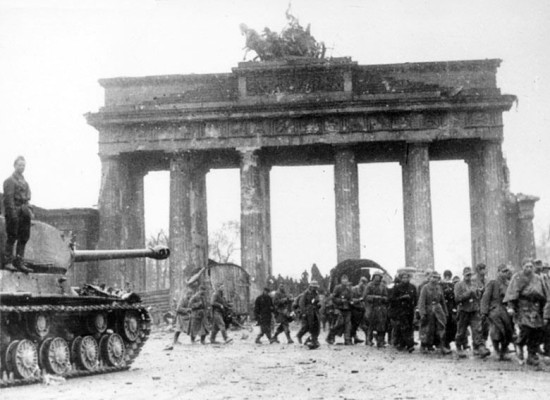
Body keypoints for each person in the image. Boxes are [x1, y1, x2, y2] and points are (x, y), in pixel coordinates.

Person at [504, 258, 550, 366]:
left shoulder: (538, 278)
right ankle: (519, 343)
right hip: (523, 307)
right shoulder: (517, 277)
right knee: (526, 329)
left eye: (531, 266)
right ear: (522, 267)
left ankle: (531, 355)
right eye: (526, 266)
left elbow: (544, 294)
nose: (529, 269)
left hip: (535, 307)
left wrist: (544, 309)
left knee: (537, 330)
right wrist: (511, 307)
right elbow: (512, 293)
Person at [2, 156, 32, 273]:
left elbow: (28, 198)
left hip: (24, 211)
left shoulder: (25, 183)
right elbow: (8, 200)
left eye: (23, 165)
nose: (22, 167)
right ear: (15, 165)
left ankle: (19, 262)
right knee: (12, 236)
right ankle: (8, 261)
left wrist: (29, 211)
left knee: (23, 237)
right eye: (19, 165)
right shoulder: (9, 181)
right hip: (14, 211)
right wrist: (12, 215)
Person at [454, 267, 490, 358]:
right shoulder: (458, 285)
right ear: (463, 275)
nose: (469, 277)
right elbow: (457, 298)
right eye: (467, 275)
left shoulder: (474, 284)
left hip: (474, 310)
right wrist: (469, 293)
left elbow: (478, 297)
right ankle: (459, 347)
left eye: (470, 275)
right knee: (461, 331)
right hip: (463, 311)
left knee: (477, 329)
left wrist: (479, 292)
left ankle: (479, 347)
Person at [480, 264, 514, 361]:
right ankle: (496, 350)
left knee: (508, 330)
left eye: (506, 271)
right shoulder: (493, 283)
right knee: (496, 331)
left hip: (505, 309)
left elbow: (511, 298)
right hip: (494, 309)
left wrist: (511, 308)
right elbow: (485, 298)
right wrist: (484, 312)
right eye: (503, 271)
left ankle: (504, 350)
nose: (504, 274)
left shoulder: (508, 284)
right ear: (498, 272)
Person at [418, 271, 451, 355]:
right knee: (427, 329)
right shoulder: (425, 287)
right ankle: (424, 345)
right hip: (428, 310)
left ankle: (441, 346)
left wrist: (445, 312)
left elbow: (443, 301)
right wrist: (422, 313)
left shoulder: (439, 287)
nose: (435, 279)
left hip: (438, 310)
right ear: (429, 278)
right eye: (433, 277)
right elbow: (421, 302)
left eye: (436, 277)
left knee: (440, 328)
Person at [389, 271, 417, 352]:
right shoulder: (397, 287)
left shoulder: (412, 287)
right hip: (400, 309)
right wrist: (401, 298)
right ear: (401, 279)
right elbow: (391, 299)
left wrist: (414, 306)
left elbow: (415, 298)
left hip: (409, 310)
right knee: (403, 327)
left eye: (407, 277)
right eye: (403, 278)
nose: (405, 279)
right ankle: (408, 345)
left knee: (409, 326)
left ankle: (404, 343)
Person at [364, 271, 389, 348]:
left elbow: (386, 296)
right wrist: (374, 297)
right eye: (376, 277)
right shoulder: (369, 285)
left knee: (381, 325)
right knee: (371, 325)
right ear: (373, 277)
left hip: (381, 308)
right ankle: (369, 340)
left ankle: (380, 341)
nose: (377, 278)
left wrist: (382, 298)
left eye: (379, 277)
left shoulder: (383, 286)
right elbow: (365, 296)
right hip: (372, 307)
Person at [326, 274, 353, 345]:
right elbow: (333, 297)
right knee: (338, 324)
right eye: (343, 280)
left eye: (346, 280)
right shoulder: (337, 288)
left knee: (348, 325)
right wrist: (340, 300)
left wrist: (351, 301)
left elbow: (350, 298)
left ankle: (347, 340)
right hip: (338, 308)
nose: (345, 281)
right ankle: (330, 337)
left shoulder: (349, 289)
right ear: (341, 281)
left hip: (347, 308)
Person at [297, 280, 322, 349]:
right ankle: (299, 335)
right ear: (310, 287)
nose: (315, 288)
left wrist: (319, 305)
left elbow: (317, 302)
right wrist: (304, 313)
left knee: (316, 327)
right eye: (313, 287)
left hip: (315, 312)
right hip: (308, 312)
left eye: (316, 287)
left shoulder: (316, 293)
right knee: (307, 327)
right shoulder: (306, 293)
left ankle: (313, 340)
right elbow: (301, 304)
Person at [473, 263, 489, 342]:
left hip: (485, 304)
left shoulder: (486, 279)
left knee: (486, 324)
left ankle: (484, 340)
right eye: (483, 269)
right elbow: (473, 291)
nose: (485, 271)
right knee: (478, 324)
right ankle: (479, 342)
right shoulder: (474, 279)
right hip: (477, 304)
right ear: (479, 270)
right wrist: (479, 290)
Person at [441, 269, 457, 349]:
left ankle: (448, 342)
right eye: (446, 276)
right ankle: (444, 343)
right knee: (444, 325)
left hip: (450, 308)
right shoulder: (441, 285)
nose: (447, 278)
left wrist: (454, 308)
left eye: (449, 276)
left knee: (451, 325)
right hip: (444, 307)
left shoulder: (452, 285)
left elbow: (454, 297)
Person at [350, 276, 368, 344]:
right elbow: (351, 299)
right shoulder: (354, 289)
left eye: (364, 283)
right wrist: (359, 300)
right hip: (355, 309)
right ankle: (353, 338)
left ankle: (367, 339)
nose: (363, 284)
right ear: (359, 281)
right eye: (362, 282)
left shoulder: (365, 290)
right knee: (354, 325)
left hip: (362, 309)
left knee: (364, 325)